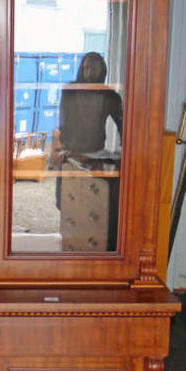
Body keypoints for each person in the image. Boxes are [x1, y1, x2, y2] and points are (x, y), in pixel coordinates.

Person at [56, 51, 123, 249]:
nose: (89, 71)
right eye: (86, 67)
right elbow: (64, 122)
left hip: (95, 153)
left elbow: (123, 123)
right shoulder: (70, 90)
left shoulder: (109, 95)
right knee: (66, 201)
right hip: (71, 152)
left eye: (94, 67)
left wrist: (126, 150)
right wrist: (66, 148)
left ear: (102, 70)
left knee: (94, 204)